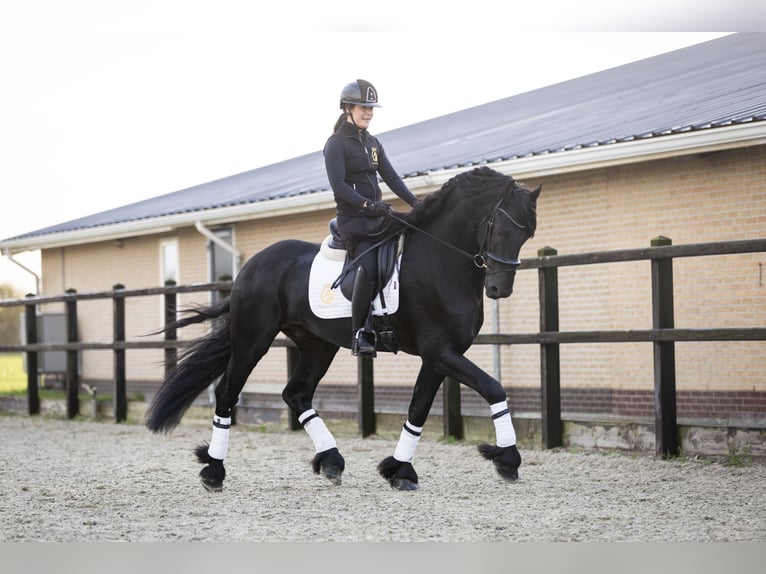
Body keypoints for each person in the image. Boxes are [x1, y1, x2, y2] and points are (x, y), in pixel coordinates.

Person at [323, 79, 419, 357]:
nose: (368, 112)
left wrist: (416, 203)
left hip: (377, 217)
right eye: (363, 107)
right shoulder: (336, 144)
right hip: (354, 221)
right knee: (369, 266)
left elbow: (390, 176)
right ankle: (359, 332)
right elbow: (339, 185)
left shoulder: (373, 143)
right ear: (347, 108)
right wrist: (367, 204)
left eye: (371, 108)